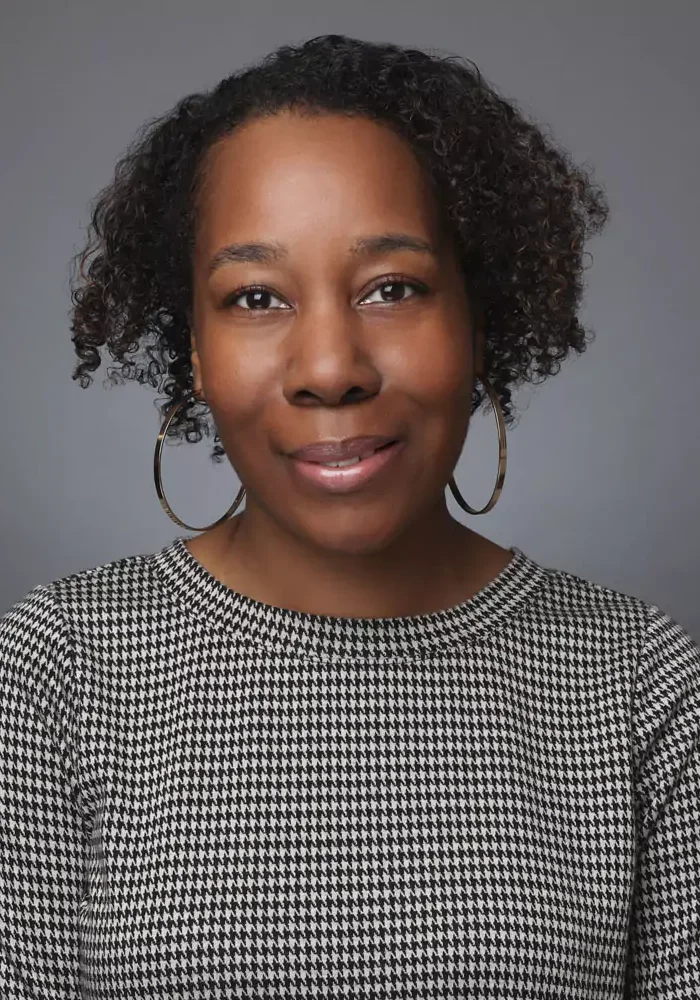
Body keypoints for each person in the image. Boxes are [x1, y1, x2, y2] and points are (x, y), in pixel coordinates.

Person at [0, 33, 697, 999]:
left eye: (393, 288)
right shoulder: (52, 674)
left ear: (477, 322)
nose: (331, 369)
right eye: (254, 297)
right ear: (193, 351)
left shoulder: (642, 687)